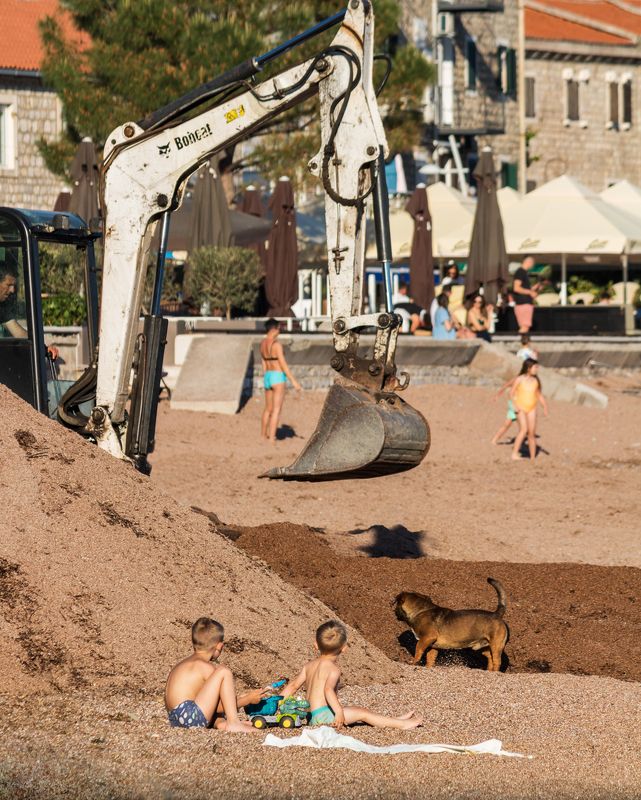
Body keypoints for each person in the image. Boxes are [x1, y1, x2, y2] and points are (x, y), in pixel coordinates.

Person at [281, 620, 422, 730]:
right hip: (324, 716)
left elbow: (293, 686)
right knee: (363, 713)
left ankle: (396, 721)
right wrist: (338, 712)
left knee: (359, 711)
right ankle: (402, 725)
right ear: (344, 648)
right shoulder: (333, 669)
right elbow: (328, 690)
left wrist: (278, 703)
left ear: (316, 645)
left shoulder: (308, 666)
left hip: (311, 715)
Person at [165, 617, 267, 731]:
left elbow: (208, 702)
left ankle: (221, 724)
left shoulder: (182, 665)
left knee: (217, 709)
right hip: (189, 717)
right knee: (224, 671)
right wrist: (247, 700)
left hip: (175, 719)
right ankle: (234, 723)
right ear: (220, 646)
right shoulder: (205, 667)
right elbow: (219, 707)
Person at [0, 259, 59, 358]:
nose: (12, 290)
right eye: (8, 285)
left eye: (13, 286)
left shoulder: (2, 310)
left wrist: (43, 349)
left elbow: (19, 333)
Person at [260, 318, 301, 442]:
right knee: (276, 410)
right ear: (273, 329)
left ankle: (263, 435)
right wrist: (294, 382)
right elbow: (283, 365)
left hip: (267, 375)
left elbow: (263, 362)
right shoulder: (276, 345)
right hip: (277, 376)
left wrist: (266, 376)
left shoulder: (262, 343)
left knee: (268, 409)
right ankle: (272, 439)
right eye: (278, 328)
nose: (279, 330)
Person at [510, 358, 548, 461]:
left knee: (531, 433)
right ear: (528, 368)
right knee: (523, 430)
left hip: (532, 408)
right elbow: (511, 393)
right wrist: (514, 405)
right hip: (520, 407)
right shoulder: (520, 379)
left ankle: (532, 458)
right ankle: (514, 454)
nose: (537, 369)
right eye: (535, 367)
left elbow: (539, 395)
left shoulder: (535, 381)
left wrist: (544, 406)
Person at [511, 256, 541, 334]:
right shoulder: (520, 272)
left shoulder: (522, 272)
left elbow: (520, 287)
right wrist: (531, 292)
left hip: (523, 303)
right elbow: (516, 288)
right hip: (523, 303)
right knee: (525, 327)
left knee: (524, 326)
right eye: (533, 264)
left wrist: (533, 288)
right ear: (529, 262)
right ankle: (524, 344)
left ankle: (524, 344)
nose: (532, 266)